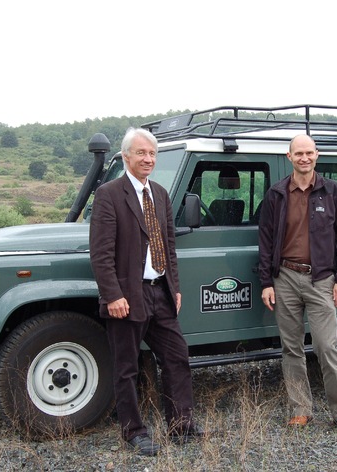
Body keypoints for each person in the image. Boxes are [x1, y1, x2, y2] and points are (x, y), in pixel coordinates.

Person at [90, 127, 203, 456]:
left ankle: (180, 424)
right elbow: (101, 252)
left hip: (161, 292)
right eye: (141, 153)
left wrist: (175, 287)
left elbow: (168, 247)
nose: (148, 159)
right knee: (127, 367)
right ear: (126, 156)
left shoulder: (161, 194)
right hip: (128, 295)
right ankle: (133, 431)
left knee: (176, 357)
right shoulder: (110, 194)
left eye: (152, 153)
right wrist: (112, 295)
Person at [258, 134, 337, 434]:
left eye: (309, 153)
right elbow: (264, 241)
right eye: (298, 153)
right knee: (291, 348)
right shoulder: (276, 194)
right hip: (285, 278)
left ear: (317, 155)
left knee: (327, 346)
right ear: (289, 157)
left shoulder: (333, 192)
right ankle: (300, 409)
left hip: (321, 279)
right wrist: (267, 281)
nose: (304, 158)